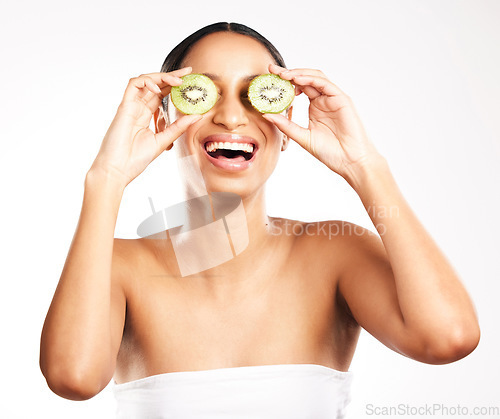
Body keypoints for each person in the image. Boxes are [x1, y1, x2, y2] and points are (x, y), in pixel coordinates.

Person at [39, 22, 480, 418]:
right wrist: (106, 179)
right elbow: (72, 378)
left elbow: (449, 338)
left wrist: (366, 166)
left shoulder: (336, 253)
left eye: (257, 95)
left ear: (285, 121)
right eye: (202, 92)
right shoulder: (117, 267)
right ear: (162, 119)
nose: (231, 117)